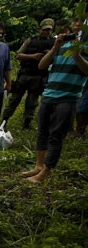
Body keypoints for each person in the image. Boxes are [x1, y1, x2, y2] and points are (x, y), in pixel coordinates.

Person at [22, 20, 88, 183]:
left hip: (68, 97)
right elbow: (42, 65)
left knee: (56, 135)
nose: (78, 25)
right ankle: (38, 166)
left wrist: (77, 55)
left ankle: (46, 171)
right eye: (76, 21)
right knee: (42, 132)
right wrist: (55, 47)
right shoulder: (60, 43)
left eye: (82, 23)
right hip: (49, 94)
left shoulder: (84, 46)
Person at [1, 18, 55, 130]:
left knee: (32, 102)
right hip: (25, 75)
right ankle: (4, 122)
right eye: (44, 30)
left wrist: (49, 54)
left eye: (49, 30)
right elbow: (18, 55)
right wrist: (33, 56)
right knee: (14, 100)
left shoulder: (53, 43)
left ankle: (27, 124)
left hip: (39, 77)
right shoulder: (30, 40)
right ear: (40, 29)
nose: (46, 32)